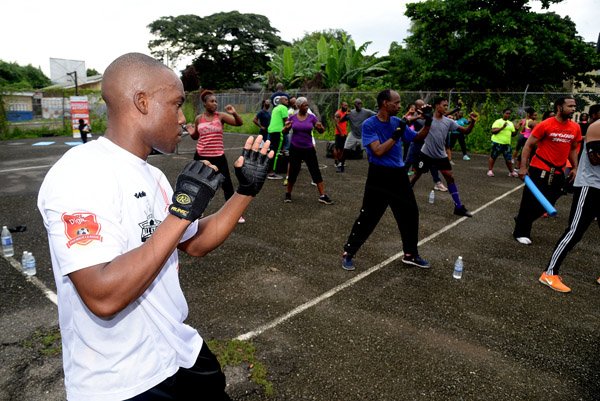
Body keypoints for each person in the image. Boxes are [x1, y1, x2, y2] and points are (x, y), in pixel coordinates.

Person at [37, 53, 273, 401]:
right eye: (176, 104)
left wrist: (245, 191)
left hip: (177, 351)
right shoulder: (79, 174)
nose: (182, 119)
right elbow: (103, 295)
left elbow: (195, 243)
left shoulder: (154, 176)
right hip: (121, 381)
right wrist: (181, 212)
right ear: (142, 102)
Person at [341, 89, 432, 271]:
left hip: (398, 175)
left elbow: (418, 138)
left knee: (410, 213)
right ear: (385, 103)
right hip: (379, 175)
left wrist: (428, 121)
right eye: (396, 103)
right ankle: (348, 252)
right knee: (368, 216)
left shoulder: (397, 122)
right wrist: (397, 133)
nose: (399, 106)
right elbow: (378, 151)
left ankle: (410, 254)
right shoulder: (370, 124)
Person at [538, 119, 600, 293]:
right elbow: (594, 158)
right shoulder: (597, 127)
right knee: (575, 231)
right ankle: (549, 273)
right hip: (591, 186)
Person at [513, 96, 582, 245]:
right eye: (570, 106)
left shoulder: (575, 127)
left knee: (549, 201)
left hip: (559, 171)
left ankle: (522, 220)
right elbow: (528, 145)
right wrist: (523, 167)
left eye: (574, 106)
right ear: (559, 107)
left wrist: (575, 167)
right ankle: (521, 232)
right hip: (539, 168)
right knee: (529, 202)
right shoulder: (546, 125)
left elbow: (573, 149)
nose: (573, 109)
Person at [410, 96, 477, 217]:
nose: (446, 108)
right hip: (426, 154)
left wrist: (473, 122)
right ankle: (402, 197)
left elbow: (466, 131)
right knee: (416, 175)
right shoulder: (427, 118)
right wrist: (418, 114)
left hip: (441, 155)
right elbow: (412, 120)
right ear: (436, 106)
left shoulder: (449, 121)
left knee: (450, 177)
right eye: (444, 105)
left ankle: (458, 207)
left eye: (447, 106)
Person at [189, 90, 245, 223]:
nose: (215, 103)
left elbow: (239, 123)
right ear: (205, 103)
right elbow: (196, 136)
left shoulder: (220, 116)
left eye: (216, 101)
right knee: (198, 184)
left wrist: (234, 113)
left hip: (218, 156)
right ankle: (196, 211)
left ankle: (234, 213)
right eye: (212, 101)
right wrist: (191, 131)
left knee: (227, 185)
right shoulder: (199, 118)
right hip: (201, 155)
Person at [281, 97, 333, 204]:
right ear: (299, 106)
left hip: (308, 148)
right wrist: (286, 128)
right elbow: (284, 132)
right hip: (295, 148)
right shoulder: (293, 117)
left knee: (315, 171)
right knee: (293, 172)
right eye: (304, 105)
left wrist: (320, 127)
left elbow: (321, 131)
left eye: (307, 105)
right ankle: (288, 194)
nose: (307, 107)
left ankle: (322, 195)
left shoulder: (312, 117)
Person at [404, 99, 447, 191]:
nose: (423, 107)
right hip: (416, 143)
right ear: (417, 107)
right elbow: (406, 120)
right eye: (420, 106)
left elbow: (441, 116)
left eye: (424, 105)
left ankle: (437, 182)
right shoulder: (416, 115)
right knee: (408, 161)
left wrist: (455, 109)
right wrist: (419, 116)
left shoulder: (428, 114)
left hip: (427, 144)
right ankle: (400, 180)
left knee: (433, 163)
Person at [487, 108, 518, 177]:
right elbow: (493, 131)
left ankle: (511, 172)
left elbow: (513, 134)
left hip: (507, 144)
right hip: (497, 142)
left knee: (508, 159)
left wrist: (517, 129)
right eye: (507, 113)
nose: (508, 115)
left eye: (509, 114)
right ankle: (490, 170)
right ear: (503, 114)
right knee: (493, 156)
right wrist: (502, 127)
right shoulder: (498, 121)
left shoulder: (510, 123)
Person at [266, 94, 290, 179]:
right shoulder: (284, 108)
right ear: (282, 101)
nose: (288, 101)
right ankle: (272, 173)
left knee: (271, 150)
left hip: (271, 131)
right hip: (278, 131)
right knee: (276, 152)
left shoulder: (275, 108)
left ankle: (268, 169)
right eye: (286, 100)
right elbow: (286, 122)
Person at [333, 101, 350, 172]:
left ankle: (340, 161)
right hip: (339, 133)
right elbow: (336, 124)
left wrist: (345, 132)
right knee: (337, 148)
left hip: (345, 133)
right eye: (344, 105)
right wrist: (341, 133)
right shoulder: (338, 113)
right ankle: (336, 162)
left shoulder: (346, 113)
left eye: (347, 105)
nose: (346, 107)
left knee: (343, 148)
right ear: (341, 105)